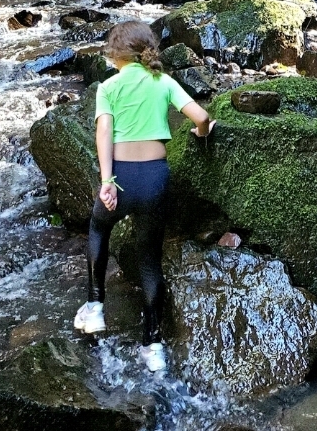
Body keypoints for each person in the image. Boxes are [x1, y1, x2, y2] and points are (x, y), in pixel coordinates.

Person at [74, 20, 213, 373]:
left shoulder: (109, 87)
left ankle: (95, 307)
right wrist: (201, 133)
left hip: (121, 178)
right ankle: (153, 346)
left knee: (98, 228)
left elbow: (104, 134)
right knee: (149, 258)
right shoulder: (163, 81)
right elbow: (201, 116)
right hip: (155, 179)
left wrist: (107, 181)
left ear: (115, 54)